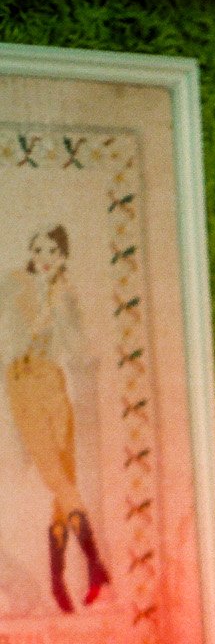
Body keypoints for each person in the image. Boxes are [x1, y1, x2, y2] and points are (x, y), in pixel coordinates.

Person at [0, 224, 111, 614]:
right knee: (56, 478)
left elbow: (78, 346)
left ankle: (58, 581)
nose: (44, 258)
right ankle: (94, 565)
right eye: (39, 250)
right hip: (22, 384)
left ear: (63, 257)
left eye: (52, 252)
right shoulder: (14, 285)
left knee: (65, 479)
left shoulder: (65, 295)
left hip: (53, 385)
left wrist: (65, 311)